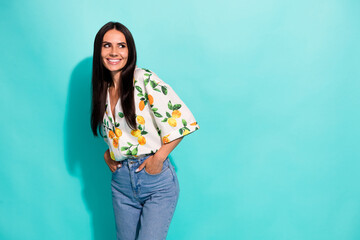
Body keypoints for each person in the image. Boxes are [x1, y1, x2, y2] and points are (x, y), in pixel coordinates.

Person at [90, 21, 200, 240]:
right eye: (107, 45)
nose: (114, 52)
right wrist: (108, 153)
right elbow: (113, 132)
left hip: (155, 181)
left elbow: (183, 122)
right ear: (99, 50)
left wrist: (158, 158)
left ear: (130, 51)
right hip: (121, 184)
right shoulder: (102, 87)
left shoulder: (143, 79)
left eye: (121, 46)